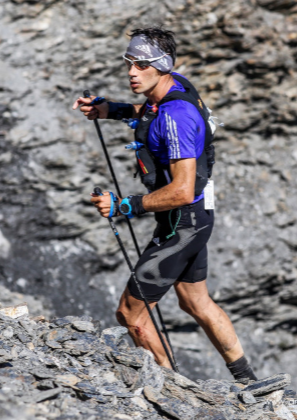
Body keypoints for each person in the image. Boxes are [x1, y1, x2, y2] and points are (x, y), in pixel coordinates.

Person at [72, 27, 257, 381]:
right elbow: (149, 112)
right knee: (194, 302)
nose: (131, 71)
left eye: (141, 65)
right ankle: (249, 380)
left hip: (182, 222)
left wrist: (123, 206)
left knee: (130, 313)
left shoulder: (177, 117)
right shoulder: (175, 86)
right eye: (129, 62)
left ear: (161, 66)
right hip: (196, 219)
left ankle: (172, 387)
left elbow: (182, 190)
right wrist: (108, 110)